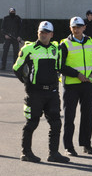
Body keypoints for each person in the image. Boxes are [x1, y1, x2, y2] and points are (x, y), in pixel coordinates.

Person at [13, 21, 70, 163]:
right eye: (41, 32)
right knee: (32, 123)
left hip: (52, 92)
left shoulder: (56, 49)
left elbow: (59, 66)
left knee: (56, 123)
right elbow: (17, 67)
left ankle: (54, 154)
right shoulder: (29, 48)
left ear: (51, 34)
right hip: (35, 93)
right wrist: (27, 83)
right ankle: (26, 153)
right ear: (38, 33)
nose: (43, 34)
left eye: (46, 32)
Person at [60, 16, 92, 156]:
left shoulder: (90, 42)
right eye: (74, 27)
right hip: (71, 85)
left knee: (87, 116)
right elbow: (60, 66)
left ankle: (86, 144)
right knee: (69, 117)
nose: (76, 29)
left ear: (84, 27)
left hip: (88, 85)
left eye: (79, 27)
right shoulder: (64, 44)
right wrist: (76, 74)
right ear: (70, 28)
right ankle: (68, 147)